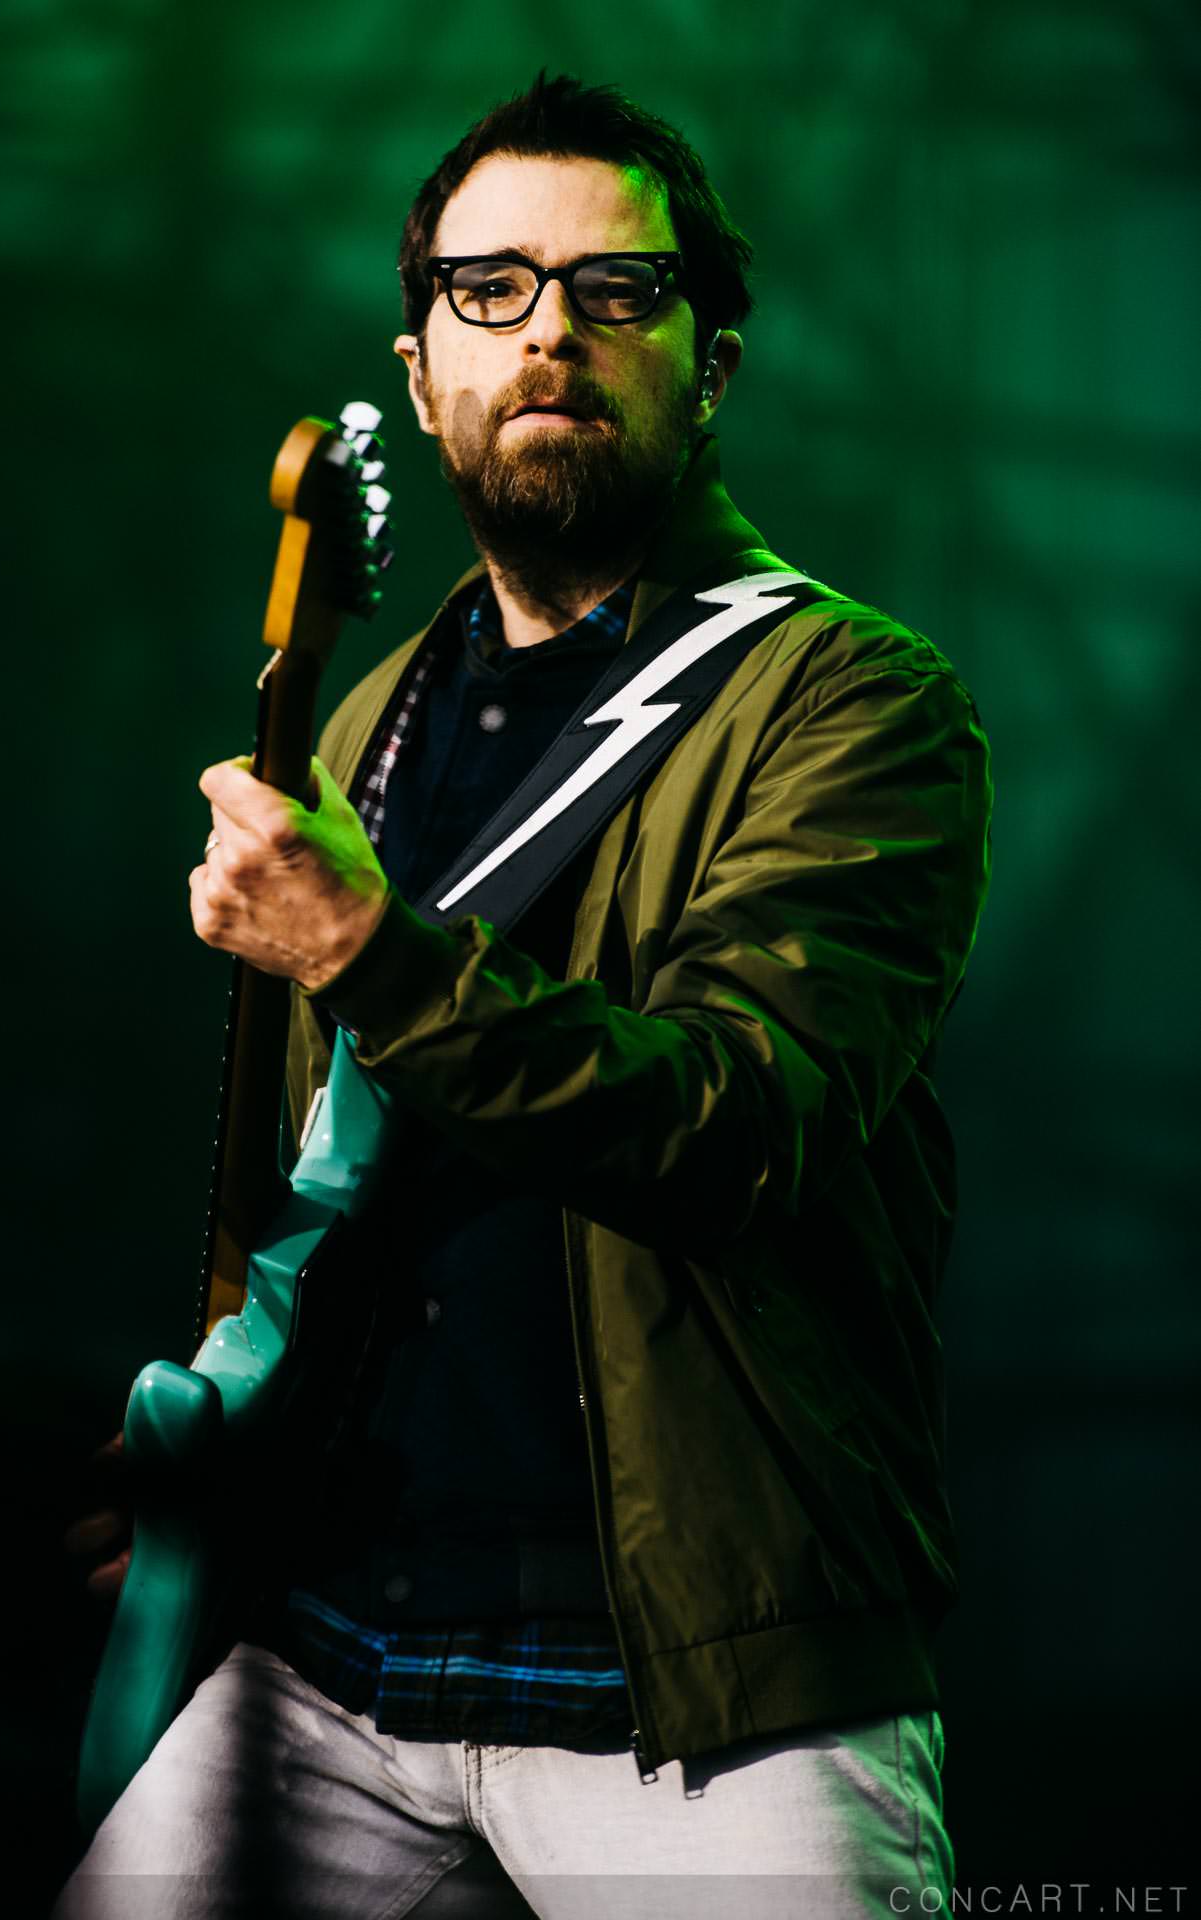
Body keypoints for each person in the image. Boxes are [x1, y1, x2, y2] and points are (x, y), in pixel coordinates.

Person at [58, 72, 992, 1920]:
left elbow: (743, 1125)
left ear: (707, 362)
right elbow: (336, 1195)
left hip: (702, 1690)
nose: (548, 325)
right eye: (486, 288)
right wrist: (226, 1453)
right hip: (330, 1651)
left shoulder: (854, 702)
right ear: (419, 373)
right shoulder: (362, 720)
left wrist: (363, 947)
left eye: (613, 290)